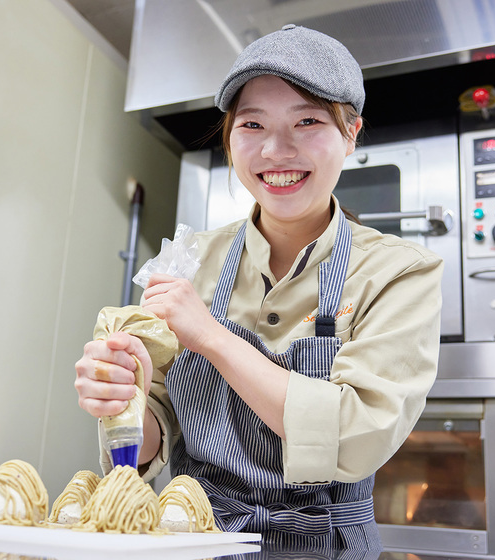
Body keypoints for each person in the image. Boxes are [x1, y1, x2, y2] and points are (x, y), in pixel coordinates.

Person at [75, 24, 443, 551]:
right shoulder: (187, 262)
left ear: (351, 132)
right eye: (252, 124)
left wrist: (213, 338)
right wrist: (120, 396)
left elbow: (357, 436)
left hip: (326, 546)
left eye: (308, 120)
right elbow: (152, 431)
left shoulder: (400, 272)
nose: (276, 150)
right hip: (193, 539)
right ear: (230, 135)